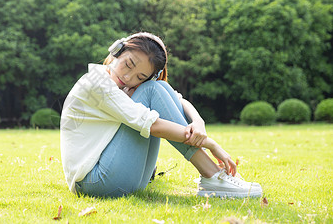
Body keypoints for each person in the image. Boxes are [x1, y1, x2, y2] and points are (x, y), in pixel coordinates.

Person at [60, 32, 262, 198]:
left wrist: (198, 123)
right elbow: (152, 124)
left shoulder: (123, 86)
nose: (128, 77)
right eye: (128, 64)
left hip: (122, 181)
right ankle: (212, 175)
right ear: (117, 51)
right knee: (152, 92)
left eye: (140, 77)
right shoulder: (97, 83)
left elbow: (179, 100)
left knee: (159, 87)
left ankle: (212, 177)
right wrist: (211, 144)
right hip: (95, 183)